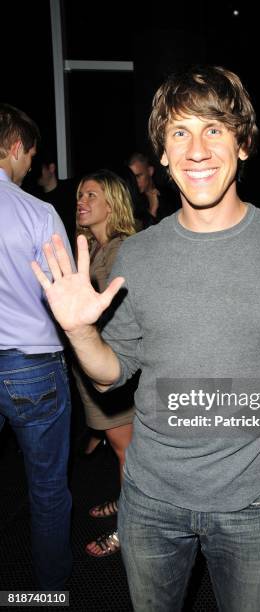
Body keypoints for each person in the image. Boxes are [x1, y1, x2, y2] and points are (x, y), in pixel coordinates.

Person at [32, 65, 260, 611]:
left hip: (253, 504)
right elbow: (113, 371)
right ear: (163, 156)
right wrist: (79, 332)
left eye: (214, 129)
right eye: (179, 133)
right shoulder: (138, 255)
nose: (197, 148)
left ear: (243, 144)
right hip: (149, 503)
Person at [0, 103, 73, 589]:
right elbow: (66, 297)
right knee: (47, 491)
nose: (31, 164)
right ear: (15, 148)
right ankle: (48, 596)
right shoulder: (36, 212)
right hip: (32, 366)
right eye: (29, 154)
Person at [73, 169, 138, 556]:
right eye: (80, 194)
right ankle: (124, 501)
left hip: (117, 371)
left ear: (113, 203)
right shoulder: (95, 247)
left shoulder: (122, 248)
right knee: (123, 453)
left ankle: (128, 530)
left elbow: (119, 313)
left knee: (127, 454)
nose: (81, 200)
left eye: (91, 195)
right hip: (98, 370)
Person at [35, 152, 78, 248]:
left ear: (51, 168)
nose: (36, 174)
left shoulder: (71, 190)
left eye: (40, 169)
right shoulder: (36, 200)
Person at [127, 151, 180, 225]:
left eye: (138, 176)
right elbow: (142, 235)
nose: (135, 181)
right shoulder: (131, 204)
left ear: (150, 171)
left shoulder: (170, 194)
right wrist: (152, 210)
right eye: (133, 177)